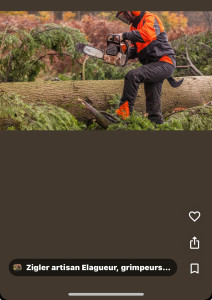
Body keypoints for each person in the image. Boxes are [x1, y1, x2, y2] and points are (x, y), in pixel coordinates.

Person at [115, 11, 177, 124]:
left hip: (165, 62)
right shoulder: (133, 26)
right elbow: (135, 50)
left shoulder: (150, 18)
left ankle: (123, 116)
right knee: (153, 107)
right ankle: (156, 124)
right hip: (153, 66)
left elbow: (147, 34)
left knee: (132, 75)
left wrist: (124, 35)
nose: (124, 17)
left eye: (124, 14)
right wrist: (122, 53)